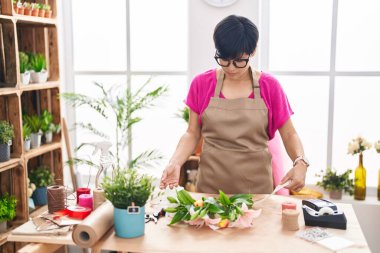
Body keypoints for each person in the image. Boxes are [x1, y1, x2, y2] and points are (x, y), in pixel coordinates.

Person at [160, 15, 308, 194]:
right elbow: (192, 133)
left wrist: (300, 161)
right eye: (223, 59)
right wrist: (175, 163)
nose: (230, 67)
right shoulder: (202, 84)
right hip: (210, 193)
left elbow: (289, 134)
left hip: (257, 194)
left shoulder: (270, 86)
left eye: (239, 61)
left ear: (253, 51)